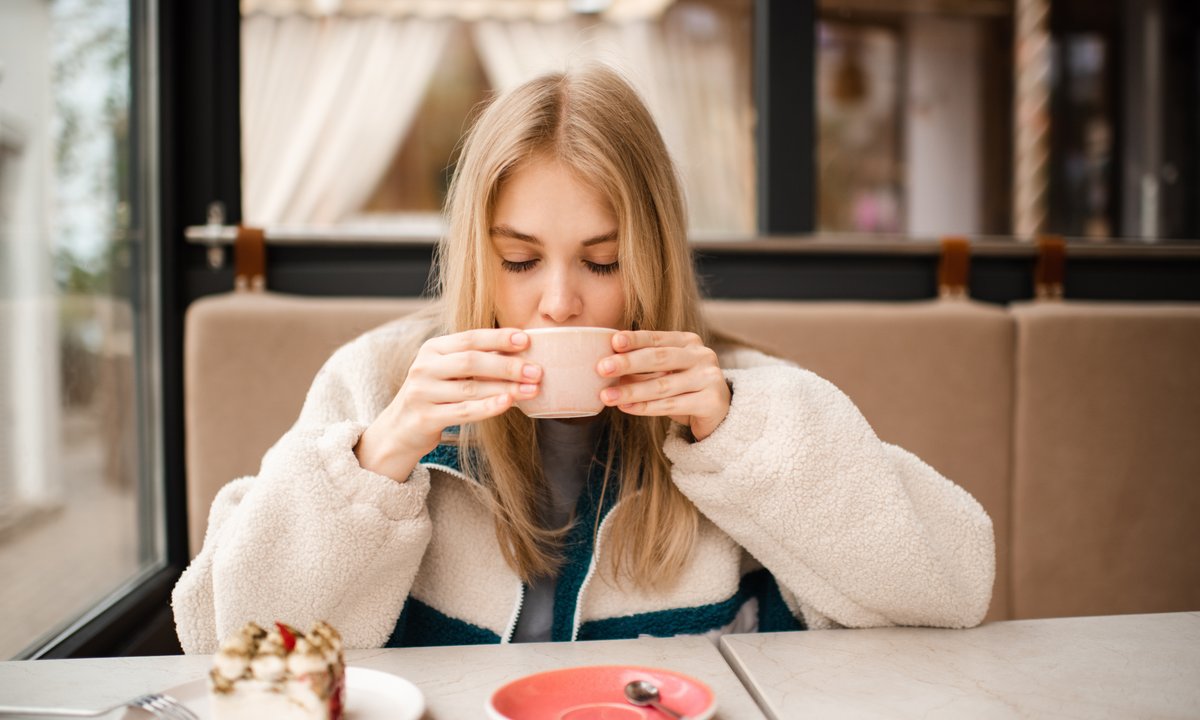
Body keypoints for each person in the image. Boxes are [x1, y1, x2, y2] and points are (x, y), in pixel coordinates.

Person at [173, 65, 994, 653]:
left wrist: (739, 436)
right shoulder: (378, 383)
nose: (559, 302)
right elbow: (227, 638)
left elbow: (955, 587)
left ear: (656, 260)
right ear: (473, 260)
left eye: (602, 262)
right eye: (520, 261)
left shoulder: (744, 407)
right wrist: (376, 460)